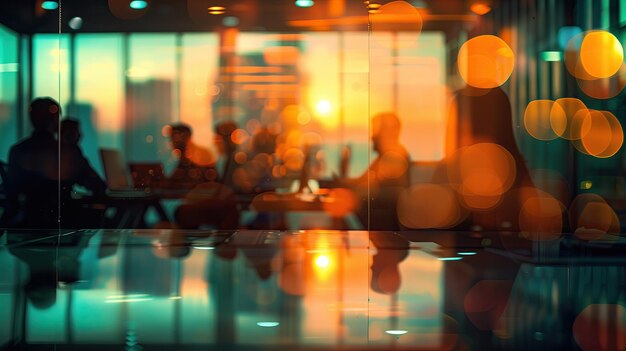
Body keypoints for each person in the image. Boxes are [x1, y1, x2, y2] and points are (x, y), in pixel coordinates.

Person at [1, 98, 106, 228]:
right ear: (57, 122)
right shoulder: (67, 152)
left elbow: (14, 193)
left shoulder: (17, 150)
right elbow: (97, 185)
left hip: (25, 228)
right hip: (64, 225)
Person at [338, 112, 411, 230]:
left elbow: (376, 189)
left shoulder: (394, 157)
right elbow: (364, 180)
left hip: (386, 228)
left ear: (387, 133)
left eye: (375, 131)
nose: (371, 137)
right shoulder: (384, 157)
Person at [167, 123, 217, 188]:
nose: (172, 142)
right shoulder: (184, 157)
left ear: (185, 137)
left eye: (174, 137)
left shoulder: (198, 156)